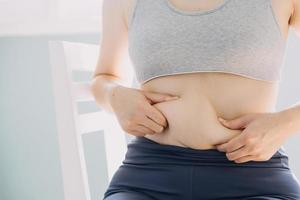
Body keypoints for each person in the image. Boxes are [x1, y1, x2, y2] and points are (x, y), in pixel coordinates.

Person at [91, 0, 300, 199]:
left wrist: (286, 122)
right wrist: (114, 96)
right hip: (149, 174)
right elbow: (104, 77)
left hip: (255, 178)